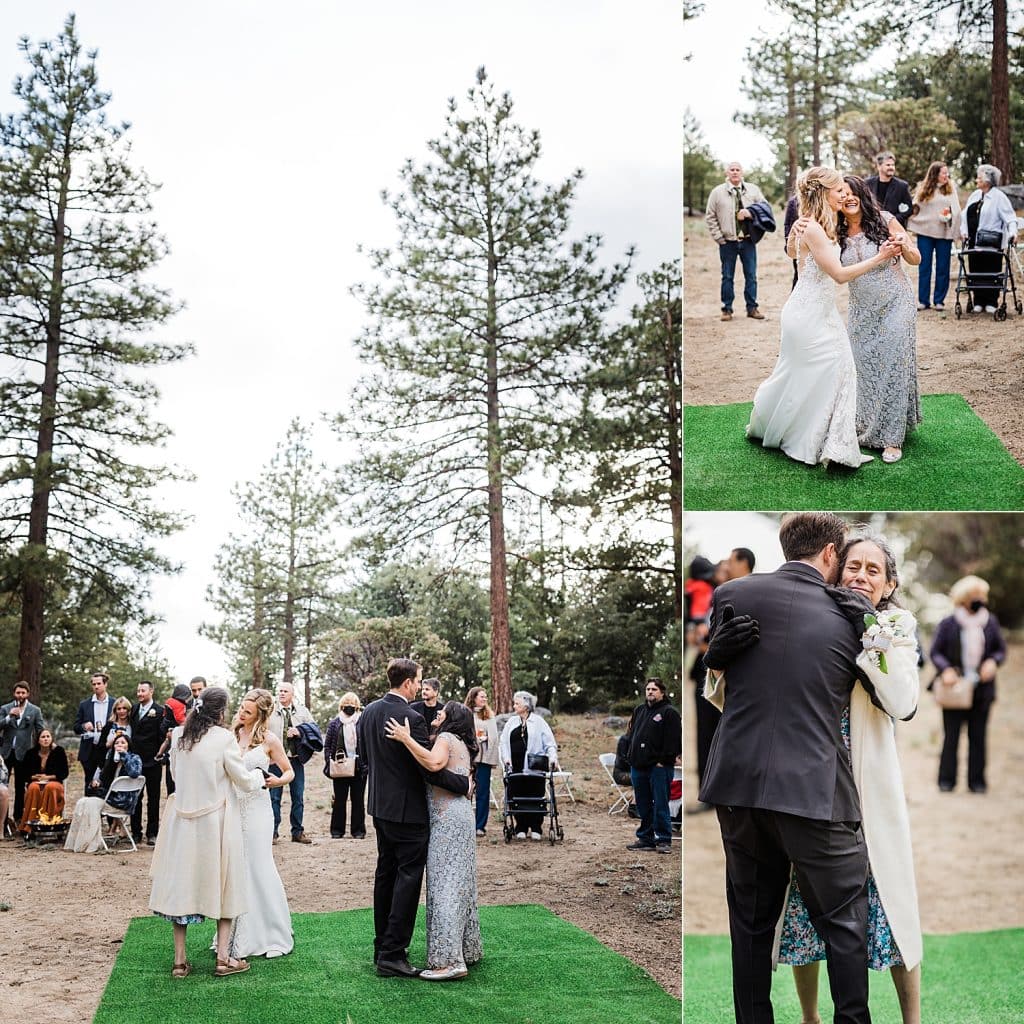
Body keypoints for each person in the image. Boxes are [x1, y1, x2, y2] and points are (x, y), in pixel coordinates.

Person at [712, 536, 922, 1024]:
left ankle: (913, 1020)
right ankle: (809, 1017)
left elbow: (903, 702)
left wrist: (869, 629)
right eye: (853, 565)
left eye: (874, 570)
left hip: (864, 791)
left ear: (890, 583)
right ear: (834, 566)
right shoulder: (811, 615)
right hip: (801, 791)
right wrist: (714, 662)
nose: (861, 576)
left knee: (890, 914)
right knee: (799, 916)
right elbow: (750, 699)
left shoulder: (894, 625)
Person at [747, 167, 900, 469]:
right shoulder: (815, 228)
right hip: (808, 316)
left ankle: (797, 433)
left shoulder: (816, 223)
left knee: (805, 375)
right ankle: (835, 446)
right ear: (823, 192)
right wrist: (880, 258)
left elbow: (793, 253)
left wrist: (794, 236)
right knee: (839, 369)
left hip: (815, 311)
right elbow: (840, 275)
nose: (845, 193)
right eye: (839, 189)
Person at [357, 658, 470, 978]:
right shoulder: (411, 717)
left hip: (379, 806)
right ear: (407, 683)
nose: (420, 686)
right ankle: (393, 954)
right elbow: (428, 769)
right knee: (407, 880)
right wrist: (462, 783)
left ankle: (382, 947)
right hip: (408, 812)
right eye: (418, 681)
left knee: (386, 876)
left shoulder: (368, 712)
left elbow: (365, 760)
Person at [148, 686, 266, 979]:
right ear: (222, 711)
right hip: (216, 823)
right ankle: (224, 959)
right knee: (225, 884)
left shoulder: (178, 736)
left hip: (182, 821)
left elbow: (175, 775)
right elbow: (241, 779)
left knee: (182, 887)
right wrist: (260, 777)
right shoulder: (224, 739)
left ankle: (179, 962)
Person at [385, 701, 482, 981]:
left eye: (442, 713)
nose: (437, 714)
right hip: (462, 816)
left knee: (444, 885)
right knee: (460, 882)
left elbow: (433, 763)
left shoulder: (446, 738)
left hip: (447, 820)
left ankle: (450, 962)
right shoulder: (462, 742)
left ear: (452, 719)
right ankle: (467, 948)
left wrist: (404, 738)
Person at [837, 175, 921, 464]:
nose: (848, 198)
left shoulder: (885, 219)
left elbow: (915, 258)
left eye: (852, 193)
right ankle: (865, 425)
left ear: (861, 194)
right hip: (861, 308)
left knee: (894, 364)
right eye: (842, 194)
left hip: (897, 302)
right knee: (862, 366)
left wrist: (905, 245)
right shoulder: (835, 231)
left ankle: (891, 438)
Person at [222, 688, 294, 959]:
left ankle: (271, 932)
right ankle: (233, 934)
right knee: (236, 869)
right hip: (232, 809)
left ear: (260, 715)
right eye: (241, 707)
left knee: (258, 866)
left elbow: (289, 772)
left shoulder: (270, 740)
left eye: (248, 711)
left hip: (258, 811)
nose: (241, 713)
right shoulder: (230, 736)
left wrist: (277, 781)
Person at [929, 575, 1006, 794]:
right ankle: (946, 781)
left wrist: (993, 661)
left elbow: (1000, 650)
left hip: (982, 690)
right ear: (964, 598)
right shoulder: (948, 623)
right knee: (951, 736)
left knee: (978, 737)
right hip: (955, 689)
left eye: (983, 595)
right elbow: (936, 652)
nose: (981, 599)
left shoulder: (990, 622)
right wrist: (945, 670)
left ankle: (977, 782)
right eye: (976, 596)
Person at [706, 162, 769, 321]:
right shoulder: (717, 192)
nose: (735, 172)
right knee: (727, 276)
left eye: (737, 169)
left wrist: (750, 213)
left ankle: (752, 308)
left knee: (751, 276)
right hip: (728, 242)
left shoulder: (753, 190)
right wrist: (719, 237)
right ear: (727, 172)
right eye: (732, 169)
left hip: (748, 241)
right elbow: (710, 216)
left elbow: (764, 208)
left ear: (742, 172)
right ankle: (726, 309)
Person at [625, 679, 681, 854]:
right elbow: (631, 734)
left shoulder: (669, 712)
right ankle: (646, 838)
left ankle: (663, 839)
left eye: (654, 689)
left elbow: (675, 741)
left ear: (662, 692)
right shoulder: (640, 710)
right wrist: (630, 755)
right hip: (638, 766)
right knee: (643, 805)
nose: (650, 692)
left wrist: (663, 760)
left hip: (659, 767)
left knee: (661, 803)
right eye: (648, 689)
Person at [64, 734, 142, 853]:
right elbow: (104, 781)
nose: (119, 745)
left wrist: (124, 755)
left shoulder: (134, 758)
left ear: (128, 745)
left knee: (91, 804)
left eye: (123, 743)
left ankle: (92, 843)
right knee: (82, 802)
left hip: (123, 802)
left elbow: (134, 773)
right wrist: (96, 783)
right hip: (108, 798)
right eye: (116, 743)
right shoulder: (111, 760)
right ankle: (80, 842)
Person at [497, 690, 559, 841]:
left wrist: (553, 757)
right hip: (515, 769)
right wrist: (506, 759)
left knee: (535, 797)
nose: (514, 705)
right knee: (517, 798)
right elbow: (503, 743)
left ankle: (536, 827)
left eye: (517, 703)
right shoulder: (512, 722)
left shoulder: (539, 722)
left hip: (534, 768)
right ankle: (521, 827)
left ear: (526, 705)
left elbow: (550, 744)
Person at [959, 164, 1017, 314]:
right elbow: (964, 216)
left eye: (980, 176)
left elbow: (1010, 218)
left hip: (992, 242)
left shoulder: (999, 197)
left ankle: (991, 301)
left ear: (989, 180)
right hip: (974, 242)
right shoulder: (975, 195)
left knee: (991, 271)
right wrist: (964, 231)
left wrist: (1013, 233)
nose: (977, 179)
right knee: (976, 270)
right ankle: (978, 301)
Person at [907, 161, 961, 311]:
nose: (946, 175)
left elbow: (956, 209)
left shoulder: (951, 189)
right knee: (924, 267)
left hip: (944, 233)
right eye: (943, 172)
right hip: (925, 233)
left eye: (947, 173)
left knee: (943, 268)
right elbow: (915, 208)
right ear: (935, 174)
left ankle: (939, 301)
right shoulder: (923, 188)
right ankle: (923, 301)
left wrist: (950, 219)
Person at [267, 681, 315, 844]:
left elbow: (313, 728)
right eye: (279, 691)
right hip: (275, 761)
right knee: (274, 798)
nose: (281, 693)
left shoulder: (302, 711)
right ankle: (272, 832)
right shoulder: (270, 712)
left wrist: (300, 731)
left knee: (298, 796)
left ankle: (297, 833)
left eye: (285, 691)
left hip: (295, 760)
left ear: (292, 694)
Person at [323, 692, 368, 839]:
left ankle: (358, 831)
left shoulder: (362, 722)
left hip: (359, 767)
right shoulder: (335, 723)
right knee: (339, 800)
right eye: (346, 704)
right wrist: (330, 762)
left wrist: (366, 763)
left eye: (352, 705)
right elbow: (328, 746)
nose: (349, 707)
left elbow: (367, 744)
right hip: (340, 767)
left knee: (358, 800)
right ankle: (337, 831)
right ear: (342, 706)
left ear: (357, 706)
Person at [0, 681, 45, 822]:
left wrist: (42, 747)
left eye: (23, 693)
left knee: (20, 786)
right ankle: (3, 820)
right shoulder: (5, 708)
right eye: (18, 692)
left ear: (28, 694)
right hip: (6, 752)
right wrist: (9, 717)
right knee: (3, 787)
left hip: (24, 753)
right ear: (14, 694)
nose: (20, 695)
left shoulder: (35, 710)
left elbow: (40, 729)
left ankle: (18, 817)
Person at [130, 680, 164, 846]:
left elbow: (161, 736)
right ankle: (136, 832)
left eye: (142, 691)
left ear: (151, 691)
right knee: (135, 797)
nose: (139, 694)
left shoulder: (159, 711)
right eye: (138, 691)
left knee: (153, 798)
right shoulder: (134, 709)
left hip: (153, 762)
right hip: (136, 762)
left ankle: (152, 833)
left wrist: (159, 756)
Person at [18, 728, 70, 833]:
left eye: (48, 737)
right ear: (38, 740)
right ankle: (30, 825)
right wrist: (34, 777)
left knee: (50, 787)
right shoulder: (31, 753)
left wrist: (48, 777)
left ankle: (50, 823)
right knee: (33, 788)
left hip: (54, 782)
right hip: (35, 782)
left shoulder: (59, 751)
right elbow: (23, 773)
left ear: (51, 739)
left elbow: (64, 772)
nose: (46, 739)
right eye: (43, 737)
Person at [464, 686, 499, 837]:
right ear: (473, 698)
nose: (484, 699)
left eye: (485, 697)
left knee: (482, 792)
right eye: (481, 697)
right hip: (468, 758)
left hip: (483, 758)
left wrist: (485, 739)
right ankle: (466, 824)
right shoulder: (465, 713)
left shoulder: (489, 716)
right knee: (465, 791)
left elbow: (494, 736)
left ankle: (480, 826)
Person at [73, 672, 113, 793]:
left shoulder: (114, 703)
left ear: (105, 684)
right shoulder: (84, 704)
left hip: (107, 748)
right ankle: (87, 810)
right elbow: (76, 727)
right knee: (89, 783)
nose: (96, 686)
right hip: (89, 750)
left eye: (99, 683)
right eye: (94, 684)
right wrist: (84, 726)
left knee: (106, 782)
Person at [156, 684, 192, 795]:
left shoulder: (170, 702)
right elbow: (180, 719)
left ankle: (159, 754)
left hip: (168, 728)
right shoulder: (177, 704)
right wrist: (189, 724)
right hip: (172, 729)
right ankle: (160, 754)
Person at [865, 152, 913, 228]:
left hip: (895, 229)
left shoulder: (902, 186)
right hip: (872, 227)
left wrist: (892, 220)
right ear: (879, 166)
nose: (891, 167)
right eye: (888, 165)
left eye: (893, 165)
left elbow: (909, 209)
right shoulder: (868, 183)